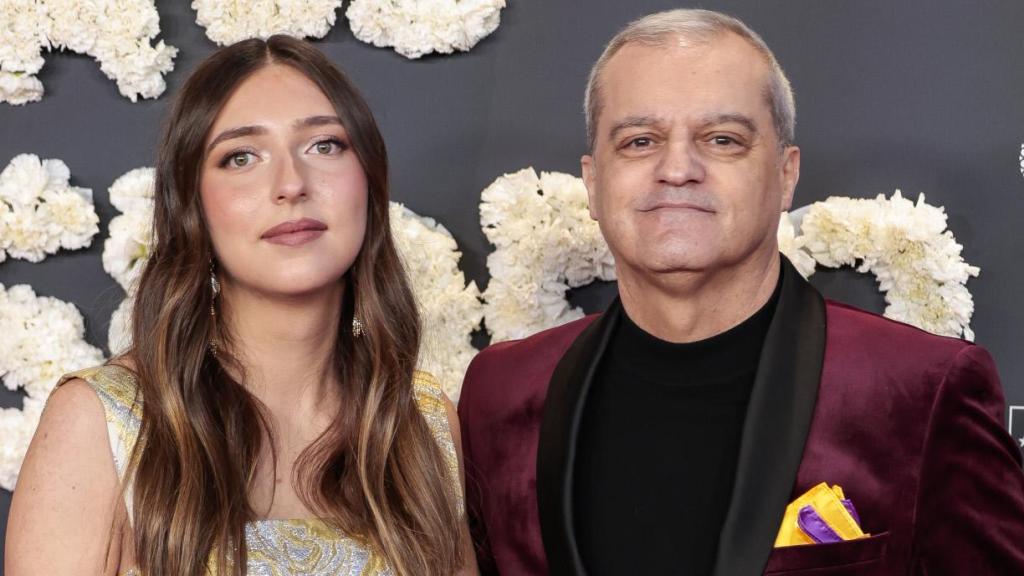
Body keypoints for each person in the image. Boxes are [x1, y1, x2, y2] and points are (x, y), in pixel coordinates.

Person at [457, 8, 1024, 576]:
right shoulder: (499, 392)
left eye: (723, 139)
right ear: (593, 180)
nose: (677, 168)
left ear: (785, 175)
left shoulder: (922, 391)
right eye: (639, 141)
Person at [6, 36, 478, 576]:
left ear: (369, 182)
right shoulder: (102, 421)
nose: (292, 185)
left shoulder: (418, 419)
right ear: (192, 207)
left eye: (324, 145)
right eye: (241, 157)